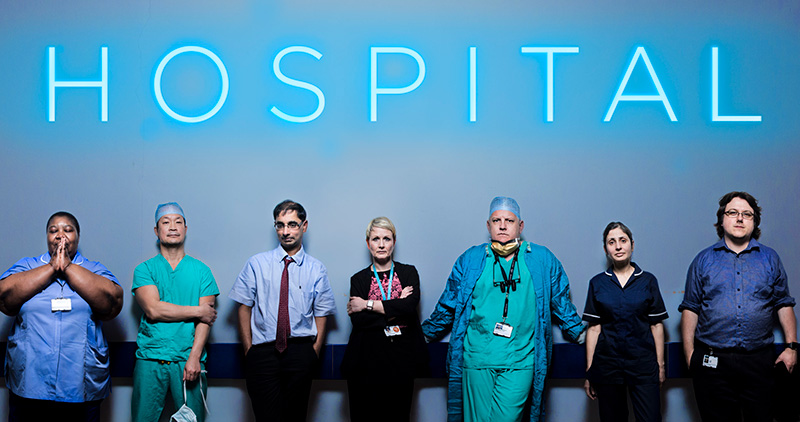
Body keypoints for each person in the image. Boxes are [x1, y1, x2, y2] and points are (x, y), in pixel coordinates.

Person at [421, 196, 585, 422]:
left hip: (520, 359)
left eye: (509, 220)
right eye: (496, 220)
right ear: (488, 225)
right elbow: (449, 304)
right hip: (477, 358)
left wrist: (582, 334)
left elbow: (561, 302)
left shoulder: (541, 259)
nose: (502, 225)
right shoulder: (471, 259)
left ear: (521, 226)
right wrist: (423, 334)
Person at [679, 191, 797, 422]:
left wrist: (792, 347)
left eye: (747, 214)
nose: (740, 218)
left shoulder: (770, 258)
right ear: (722, 219)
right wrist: (690, 355)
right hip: (712, 363)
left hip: (760, 362)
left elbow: (784, 304)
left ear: (755, 223)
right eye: (733, 212)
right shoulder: (702, 260)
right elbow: (691, 308)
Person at [0, 211, 123, 422]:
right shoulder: (27, 266)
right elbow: (5, 298)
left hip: (80, 384)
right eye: (53, 230)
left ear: (78, 236)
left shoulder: (94, 269)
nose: (60, 235)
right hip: (31, 382)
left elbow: (112, 303)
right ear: (46, 236)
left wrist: (67, 267)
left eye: (68, 230)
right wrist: (50, 267)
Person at [229, 200, 336, 422]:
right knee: (266, 417)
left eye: (292, 224)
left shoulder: (316, 268)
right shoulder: (256, 263)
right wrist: (250, 350)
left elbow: (322, 313)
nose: (285, 231)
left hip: (300, 352)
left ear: (304, 226)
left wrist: (314, 351)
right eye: (280, 225)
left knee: (295, 417)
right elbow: (243, 307)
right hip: (263, 353)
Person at [131, 202, 219, 422]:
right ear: (156, 230)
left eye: (178, 222)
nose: (172, 227)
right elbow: (153, 310)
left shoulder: (202, 271)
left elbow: (205, 321)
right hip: (150, 360)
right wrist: (198, 310)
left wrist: (195, 357)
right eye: (165, 222)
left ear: (185, 229)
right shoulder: (145, 270)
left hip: (187, 359)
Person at [341, 217, 429, 422]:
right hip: (365, 362)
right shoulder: (359, 279)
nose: (381, 244)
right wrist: (396, 303)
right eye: (376, 239)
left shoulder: (408, 272)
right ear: (367, 243)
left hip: (401, 362)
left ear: (394, 242)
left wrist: (368, 304)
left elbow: (409, 308)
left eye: (386, 239)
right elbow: (360, 321)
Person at [582, 222, 667, 422]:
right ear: (606, 249)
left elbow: (656, 325)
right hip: (607, 366)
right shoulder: (597, 283)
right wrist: (589, 372)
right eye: (612, 242)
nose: (618, 246)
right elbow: (594, 329)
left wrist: (660, 366)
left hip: (643, 365)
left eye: (623, 240)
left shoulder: (648, 281)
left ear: (632, 245)